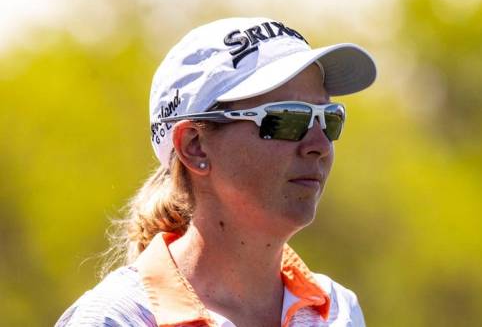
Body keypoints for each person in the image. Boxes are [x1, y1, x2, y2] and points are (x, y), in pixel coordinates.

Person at [56, 17, 377, 327]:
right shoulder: (113, 318)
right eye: (287, 119)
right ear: (194, 145)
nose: (320, 144)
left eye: (329, 118)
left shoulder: (337, 310)